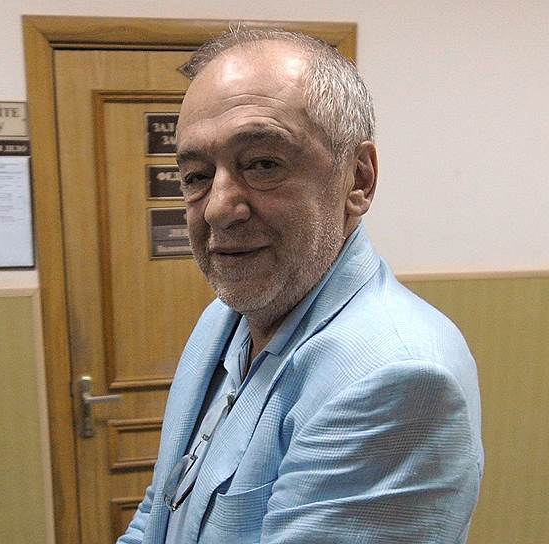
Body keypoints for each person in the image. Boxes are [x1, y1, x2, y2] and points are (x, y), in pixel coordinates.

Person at [118, 29, 483, 543]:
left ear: (358, 179)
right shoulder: (223, 320)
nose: (218, 208)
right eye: (197, 175)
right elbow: (159, 510)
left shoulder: (397, 377)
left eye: (263, 164)